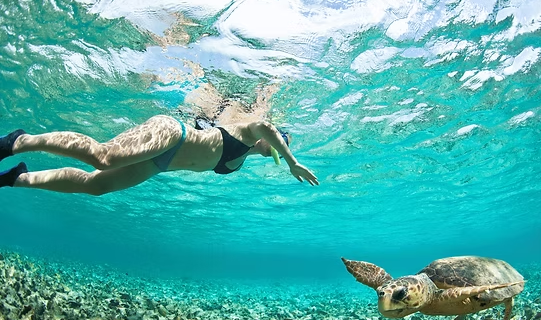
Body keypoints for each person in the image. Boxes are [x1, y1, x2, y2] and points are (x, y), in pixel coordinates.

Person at [0, 84, 319, 195]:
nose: (280, 145)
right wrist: (292, 163)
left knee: (95, 185)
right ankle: (18, 141)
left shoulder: (244, 157)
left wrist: (281, 152)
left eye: (284, 145)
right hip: (171, 134)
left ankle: (19, 178)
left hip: (159, 164)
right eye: (283, 140)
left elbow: (269, 138)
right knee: (103, 156)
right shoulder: (247, 129)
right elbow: (265, 125)